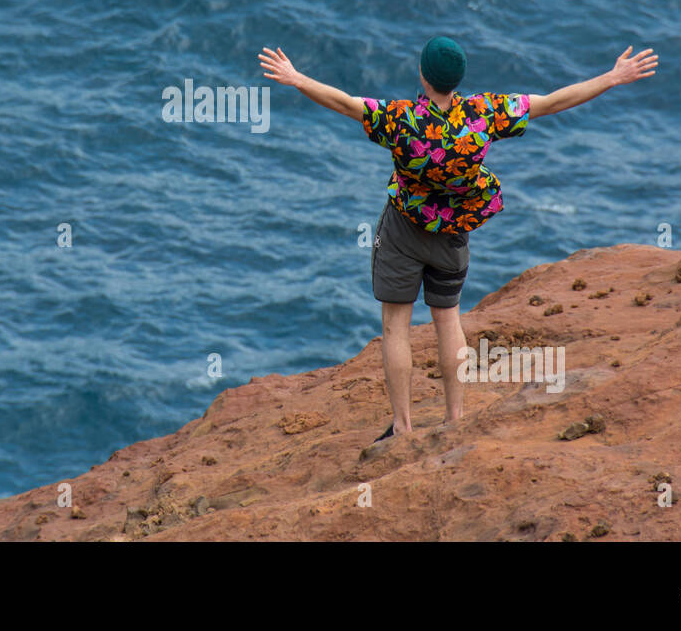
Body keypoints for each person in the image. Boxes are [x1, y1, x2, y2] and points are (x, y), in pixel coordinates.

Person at [257, 38, 658, 442]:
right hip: (453, 235)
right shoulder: (483, 113)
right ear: (457, 80)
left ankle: (403, 427)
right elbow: (553, 101)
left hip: (403, 231)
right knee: (448, 320)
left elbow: (344, 102)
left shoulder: (400, 119)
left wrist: (296, 78)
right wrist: (612, 77)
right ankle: (453, 419)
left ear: (422, 75)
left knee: (397, 325)